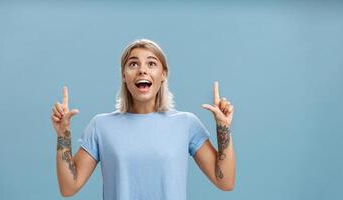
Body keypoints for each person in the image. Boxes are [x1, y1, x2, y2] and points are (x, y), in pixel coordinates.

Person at [51, 39, 235, 200]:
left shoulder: (187, 124)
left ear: (163, 74)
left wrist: (223, 127)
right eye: (133, 64)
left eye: (152, 64)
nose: (142, 70)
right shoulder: (101, 126)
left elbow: (225, 182)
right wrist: (62, 134)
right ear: (123, 75)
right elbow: (69, 188)